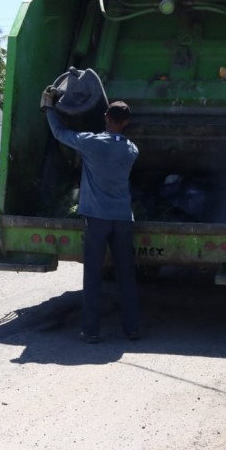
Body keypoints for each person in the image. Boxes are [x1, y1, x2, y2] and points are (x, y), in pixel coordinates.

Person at [40, 88, 141, 344]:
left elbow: (60, 133)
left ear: (106, 116)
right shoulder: (132, 150)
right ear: (126, 122)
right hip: (123, 218)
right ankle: (131, 329)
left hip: (97, 218)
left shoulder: (91, 143)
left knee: (93, 275)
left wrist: (49, 108)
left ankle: (91, 331)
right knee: (126, 276)